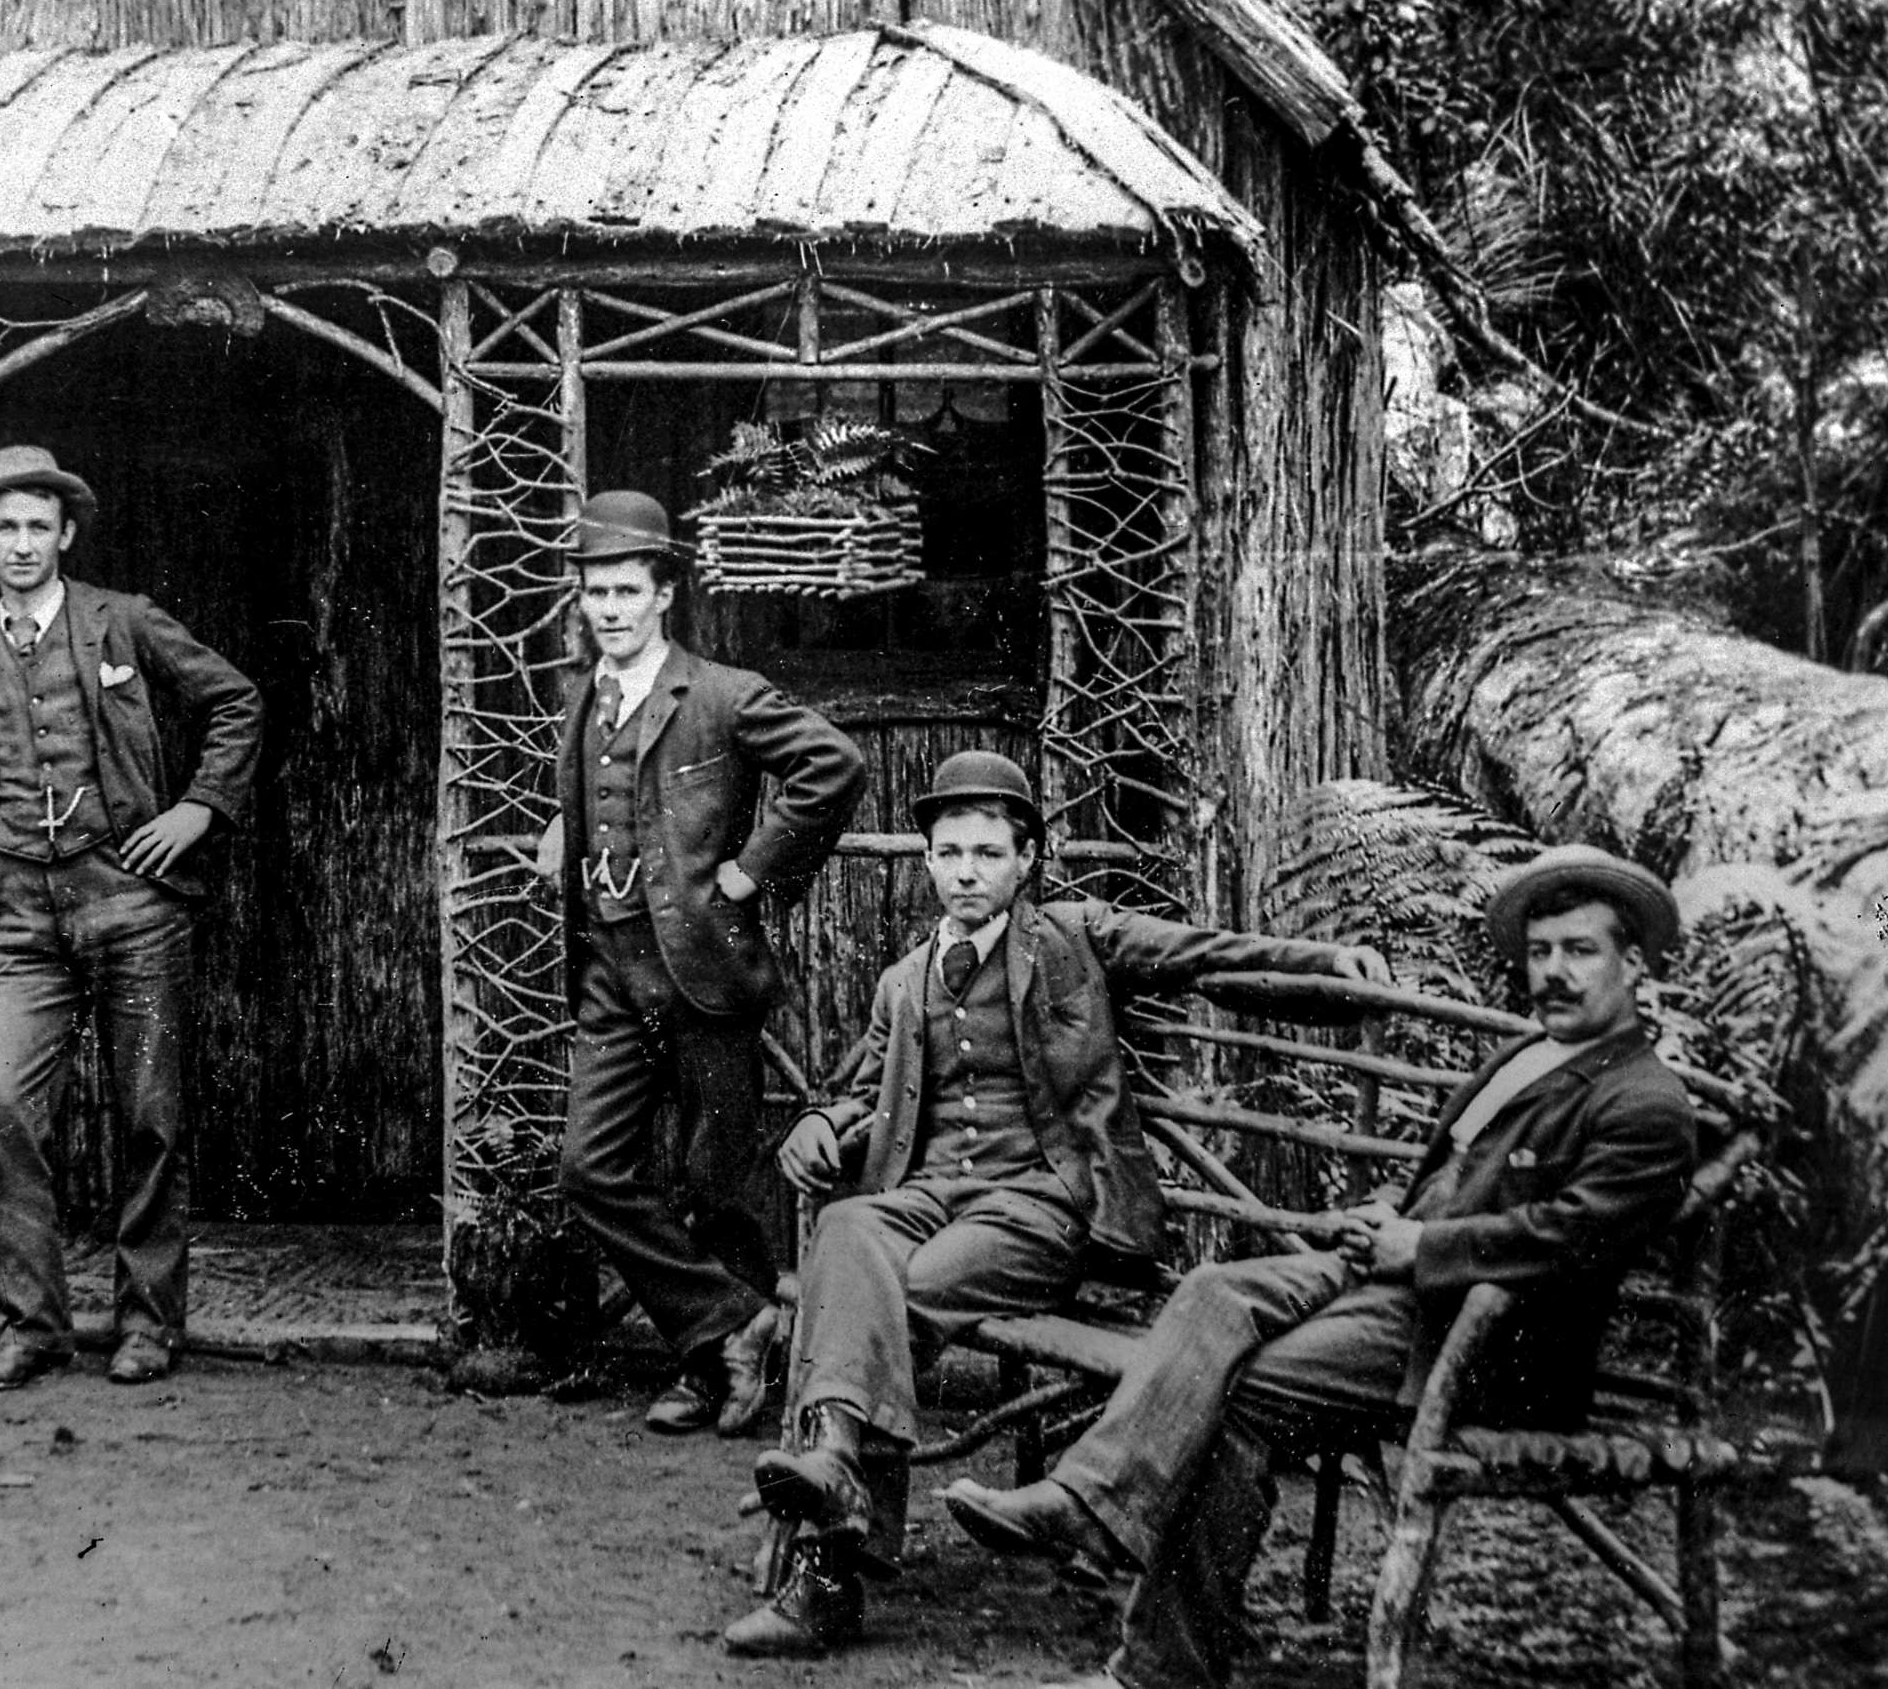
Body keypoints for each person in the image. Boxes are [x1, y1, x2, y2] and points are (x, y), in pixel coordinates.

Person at [938, 844, 1703, 1689]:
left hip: (1488, 1345)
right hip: (1399, 1283)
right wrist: (1395, 1222)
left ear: (1633, 963)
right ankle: (1090, 1503)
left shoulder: (1645, 1102)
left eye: (1580, 951)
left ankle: (1153, 1662)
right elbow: (1465, 1181)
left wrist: (1425, 1246)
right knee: (1214, 1292)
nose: (1554, 973)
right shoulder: (1527, 1054)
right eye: (1541, 952)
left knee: (1235, 1393)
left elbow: (1575, 1239)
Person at [727, 752, 1390, 1657]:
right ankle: (835, 1467)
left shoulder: (1074, 939)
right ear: (927, 861)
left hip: (1040, 1206)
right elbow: (859, 1089)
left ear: (1027, 860)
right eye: (950, 852)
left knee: (877, 1298)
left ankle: (827, 1575)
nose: (967, 871)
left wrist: (1326, 970)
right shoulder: (904, 979)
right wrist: (821, 1123)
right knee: (848, 1227)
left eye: (989, 853)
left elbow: (1201, 958)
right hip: (927, 1198)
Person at [532, 489, 866, 1437]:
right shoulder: (584, 698)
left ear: (664, 594)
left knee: (717, 1180)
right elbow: (616, 794)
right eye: (595, 593)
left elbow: (832, 767)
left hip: (704, 970)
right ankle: (731, 1325)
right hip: (609, 965)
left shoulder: (722, 693)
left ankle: (715, 1371)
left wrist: (753, 872)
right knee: (592, 1170)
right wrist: (569, 820)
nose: (609, 611)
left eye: (628, 591)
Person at [0, 443, 263, 1390]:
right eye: (5, 527)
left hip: (131, 901)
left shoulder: (121, 622)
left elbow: (235, 701)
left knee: (150, 1118)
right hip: (25, 917)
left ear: (67, 534)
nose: (23, 543)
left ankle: (148, 1324)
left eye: (39, 525)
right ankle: (32, 1328)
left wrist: (199, 809)